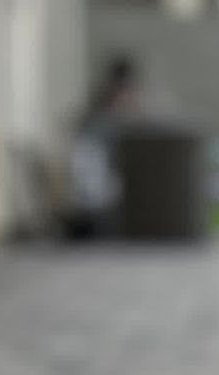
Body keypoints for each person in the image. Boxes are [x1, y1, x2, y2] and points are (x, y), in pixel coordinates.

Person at [65, 54, 142, 239]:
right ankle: (93, 227)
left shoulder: (120, 96)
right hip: (93, 150)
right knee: (95, 191)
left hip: (100, 153)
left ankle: (99, 226)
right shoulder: (109, 96)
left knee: (104, 190)